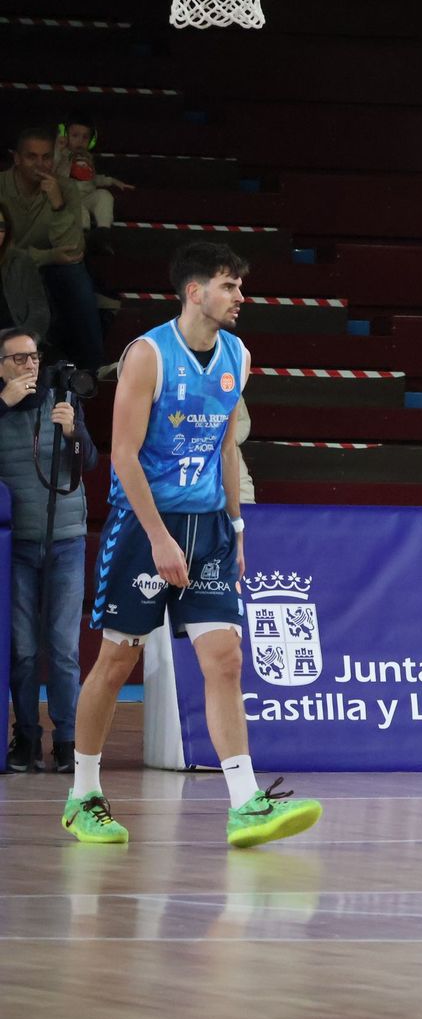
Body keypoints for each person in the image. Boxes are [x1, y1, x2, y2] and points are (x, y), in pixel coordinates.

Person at [63, 241, 322, 847]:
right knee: (116, 660)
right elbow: (122, 456)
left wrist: (234, 527)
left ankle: (245, 802)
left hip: (207, 528)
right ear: (194, 291)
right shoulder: (148, 355)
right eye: (229, 286)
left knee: (225, 661)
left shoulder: (238, 354)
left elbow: (226, 448)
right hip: (142, 526)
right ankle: (83, 794)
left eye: (239, 286)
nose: (240, 297)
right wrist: (157, 538)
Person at [0, 329, 95, 772]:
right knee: (21, 649)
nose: (30, 366)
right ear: (0, 366)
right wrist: (2, 403)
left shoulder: (64, 400)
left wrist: (73, 432)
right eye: (18, 359)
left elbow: (90, 460)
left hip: (65, 539)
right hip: (14, 545)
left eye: (34, 357)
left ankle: (68, 739)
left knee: (62, 647)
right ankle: (26, 737)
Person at [0, 125, 101, 371]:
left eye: (46, 157)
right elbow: (5, 251)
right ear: (17, 158)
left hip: (50, 268)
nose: (39, 164)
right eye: (31, 157)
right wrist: (48, 255)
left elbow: (73, 249)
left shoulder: (65, 187)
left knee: (75, 275)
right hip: (9, 267)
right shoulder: (1, 185)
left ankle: (92, 367)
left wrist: (57, 204)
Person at [54, 113, 132, 233]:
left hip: (87, 197)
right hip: (68, 199)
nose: (80, 141)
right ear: (65, 136)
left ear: (91, 140)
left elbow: (92, 178)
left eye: (85, 137)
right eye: (75, 136)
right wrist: (59, 149)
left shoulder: (87, 157)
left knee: (104, 195)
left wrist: (112, 181)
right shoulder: (61, 154)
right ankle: (83, 235)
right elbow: (51, 169)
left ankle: (104, 232)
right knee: (80, 210)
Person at [0, 200, 51, 345]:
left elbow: (39, 312)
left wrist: (22, 343)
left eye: (1, 227)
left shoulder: (21, 261)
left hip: (18, 349)